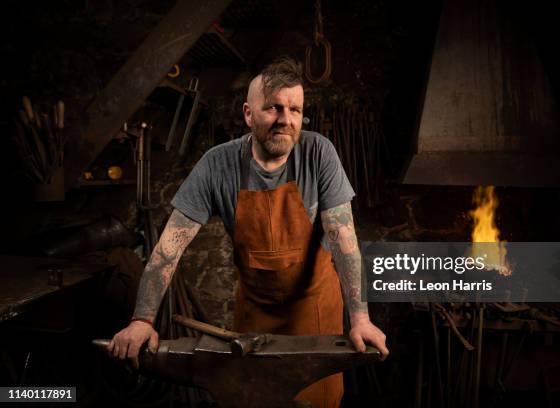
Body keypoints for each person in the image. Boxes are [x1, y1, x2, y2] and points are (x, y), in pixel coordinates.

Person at [108, 57, 388, 408]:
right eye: (273, 108)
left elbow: (345, 243)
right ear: (248, 114)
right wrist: (141, 320)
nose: (285, 120)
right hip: (255, 316)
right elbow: (168, 250)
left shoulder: (319, 154)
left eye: (295, 110)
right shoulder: (217, 164)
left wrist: (360, 319)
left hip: (314, 312)